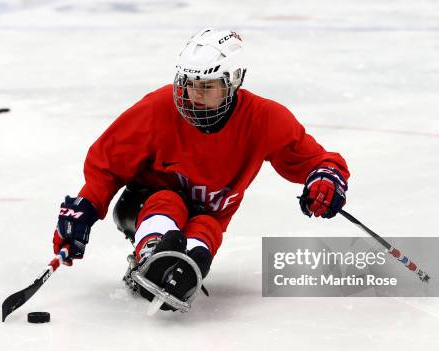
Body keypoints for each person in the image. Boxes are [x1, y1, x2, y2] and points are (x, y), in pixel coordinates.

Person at [53, 28, 350, 311]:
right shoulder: (158, 108)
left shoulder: (264, 119)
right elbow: (107, 162)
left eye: (206, 86)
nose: (194, 94)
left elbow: (316, 160)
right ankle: (151, 252)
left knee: (206, 230)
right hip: (145, 203)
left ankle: (188, 265)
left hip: (209, 215)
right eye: (188, 83)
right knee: (168, 202)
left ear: (233, 80)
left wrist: (324, 179)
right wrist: (87, 206)